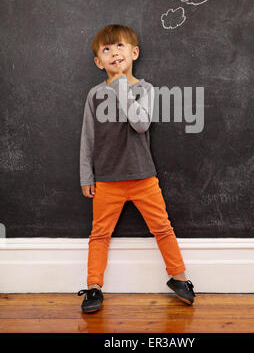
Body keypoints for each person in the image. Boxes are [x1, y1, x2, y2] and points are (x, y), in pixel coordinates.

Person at [77, 24, 196, 313]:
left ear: (134, 52)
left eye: (119, 47)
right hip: (107, 180)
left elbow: (140, 123)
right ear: (98, 61)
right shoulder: (94, 95)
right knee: (100, 234)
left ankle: (179, 278)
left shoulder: (145, 89)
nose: (114, 53)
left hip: (143, 176)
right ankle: (93, 287)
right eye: (106, 50)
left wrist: (120, 85)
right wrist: (86, 175)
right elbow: (87, 138)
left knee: (162, 228)